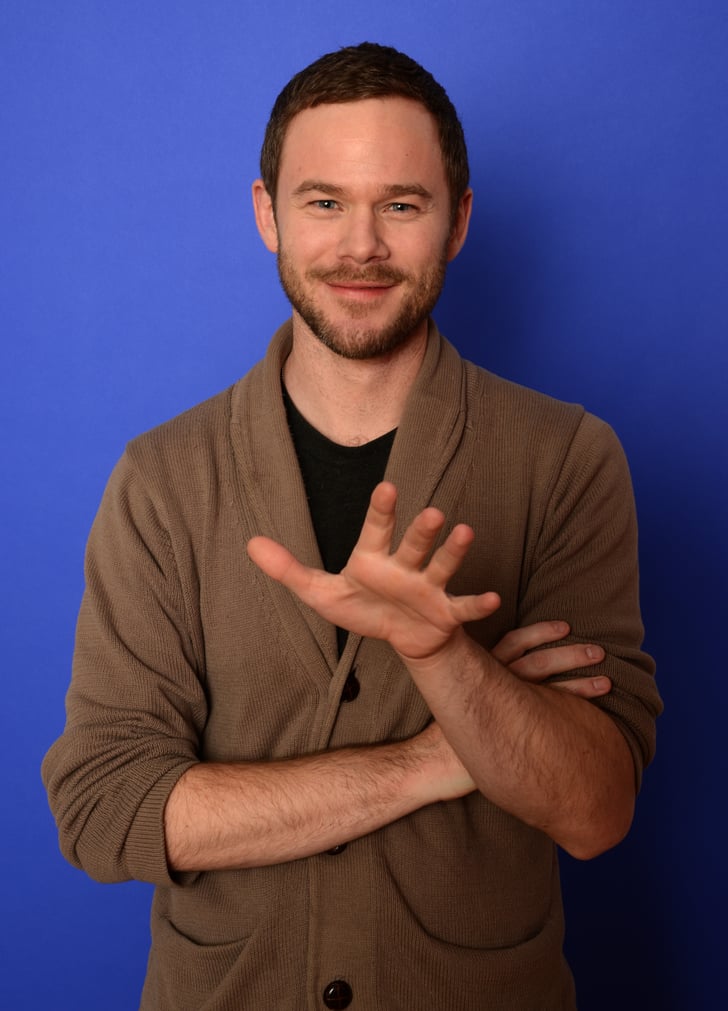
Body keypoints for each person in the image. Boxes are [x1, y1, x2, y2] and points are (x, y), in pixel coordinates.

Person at [42, 42, 662, 1011]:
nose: (360, 246)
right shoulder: (160, 480)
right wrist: (432, 761)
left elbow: (591, 812)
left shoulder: (567, 458)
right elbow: (106, 810)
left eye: (400, 205)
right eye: (323, 202)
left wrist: (444, 658)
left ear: (457, 221)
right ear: (267, 216)